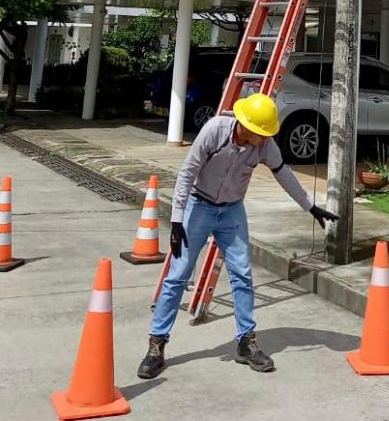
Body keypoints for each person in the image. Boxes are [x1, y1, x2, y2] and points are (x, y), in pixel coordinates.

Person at [137, 93, 338, 378]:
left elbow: (283, 173)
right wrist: (177, 219)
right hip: (199, 204)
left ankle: (246, 343)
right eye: (261, 132)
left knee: (242, 274)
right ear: (245, 126)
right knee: (178, 274)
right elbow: (187, 173)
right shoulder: (215, 131)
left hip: (231, 211)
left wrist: (310, 206)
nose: (265, 138)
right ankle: (156, 345)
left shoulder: (264, 145)